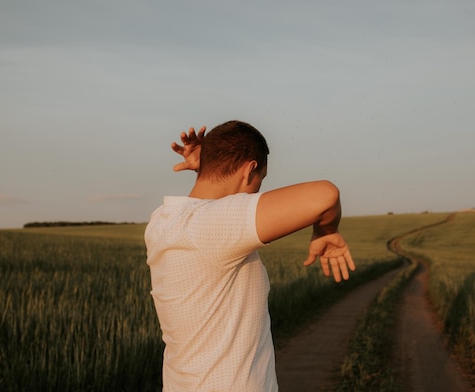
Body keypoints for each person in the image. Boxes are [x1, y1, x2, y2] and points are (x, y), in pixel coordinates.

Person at [144, 120, 355, 392]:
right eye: (260, 181)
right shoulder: (210, 227)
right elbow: (326, 195)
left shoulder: (163, 220)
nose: (256, 191)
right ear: (249, 170)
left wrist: (209, 165)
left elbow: (208, 203)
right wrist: (327, 230)